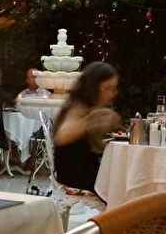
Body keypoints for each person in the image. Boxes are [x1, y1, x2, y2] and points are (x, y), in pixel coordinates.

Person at [52, 62, 121, 193]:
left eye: (114, 89)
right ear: (93, 86)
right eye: (107, 88)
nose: (112, 94)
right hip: (76, 178)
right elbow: (62, 136)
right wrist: (94, 119)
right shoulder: (78, 107)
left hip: (82, 174)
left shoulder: (86, 106)